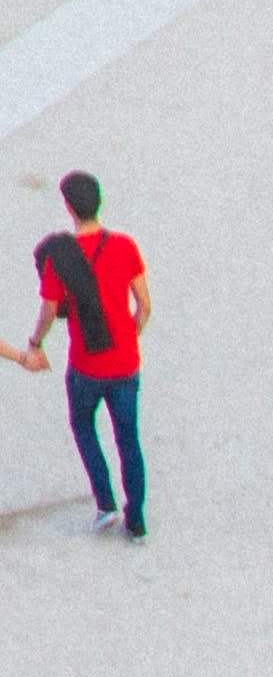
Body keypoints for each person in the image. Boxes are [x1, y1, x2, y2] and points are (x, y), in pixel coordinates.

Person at [14, 174, 147, 539]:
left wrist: (35, 344)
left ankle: (105, 505)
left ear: (69, 208)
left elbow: (49, 310)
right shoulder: (125, 245)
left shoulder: (61, 257)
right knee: (129, 439)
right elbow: (145, 306)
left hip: (86, 366)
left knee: (84, 426)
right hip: (125, 363)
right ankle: (135, 520)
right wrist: (129, 335)